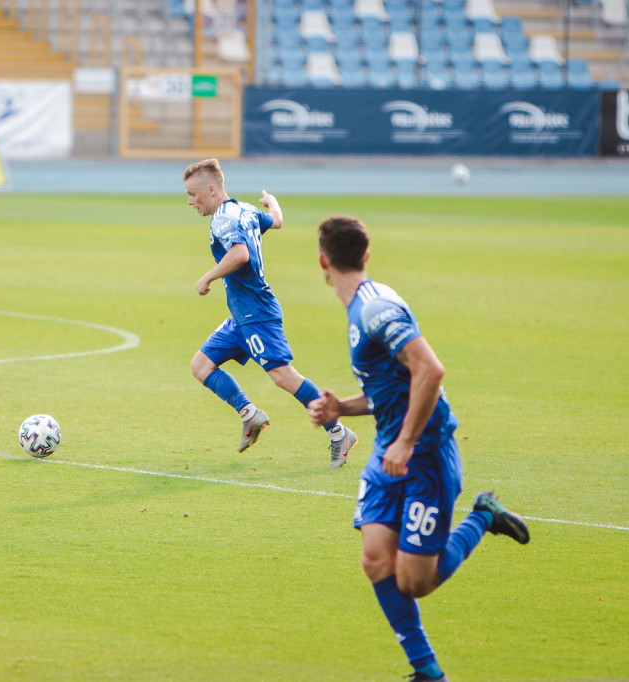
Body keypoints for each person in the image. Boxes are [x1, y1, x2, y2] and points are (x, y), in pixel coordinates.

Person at [308, 214, 530, 681]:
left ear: (322, 260)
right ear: (365, 255)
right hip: (390, 448)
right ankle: (427, 672)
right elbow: (393, 388)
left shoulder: (376, 310)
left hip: (423, 452)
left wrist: (407, 442)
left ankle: (484, 514)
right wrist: (340, 410)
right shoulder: (362, 308)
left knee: (416, 581)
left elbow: (430, 370)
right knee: (374, 559)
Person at [183, 158, 357, 463]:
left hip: (257, 313)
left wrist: (207, 276)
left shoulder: (223, 219)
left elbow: (240, 254)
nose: (189, 202)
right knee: (201, 366)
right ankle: (249, 414)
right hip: (241, 316)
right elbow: (275, 221)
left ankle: (338, 432)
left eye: (192, 194)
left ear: (211, 189)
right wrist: (272, 203)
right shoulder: (246, 209)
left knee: (284, 377)